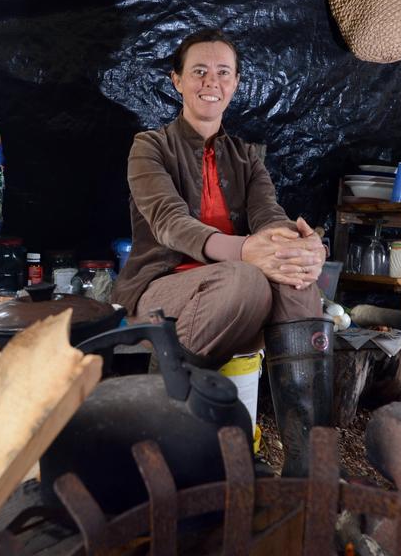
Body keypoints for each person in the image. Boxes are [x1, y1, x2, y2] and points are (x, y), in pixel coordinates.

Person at [113, 27, 333, 477]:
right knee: (245, 279)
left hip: (233, 294)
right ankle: (172, 434)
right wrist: (247, 250)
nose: (210, 82)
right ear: (177, 80)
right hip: (164, 290)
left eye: (222, 73)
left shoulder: (246, 156)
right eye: (199, 71)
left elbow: (269, 214)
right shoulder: (150, 147)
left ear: (234, 83)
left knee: (296, 282)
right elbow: (170, 223)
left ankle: (306, 467)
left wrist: (302, 247)